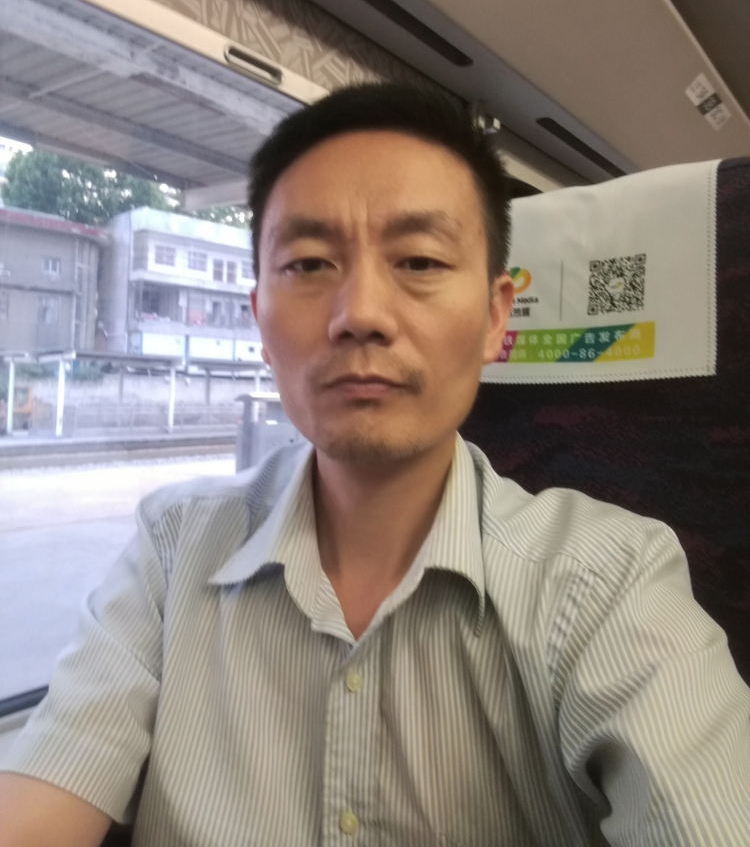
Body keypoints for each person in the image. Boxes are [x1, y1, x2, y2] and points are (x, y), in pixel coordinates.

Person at [1, 82, 748, 847]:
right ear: (260, 320)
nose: (360, 313)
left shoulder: (609, 583)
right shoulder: (171, 551)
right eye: (309, 264)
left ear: (497, 320)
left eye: (419, 260)